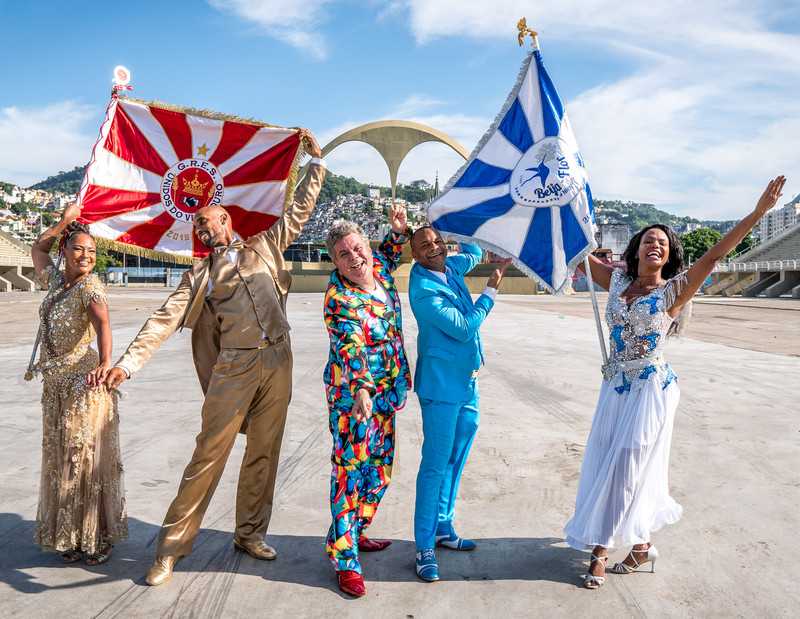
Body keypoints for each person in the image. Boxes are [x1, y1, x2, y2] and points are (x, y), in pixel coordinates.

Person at [104, 131, 326, 586]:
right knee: (208, 456)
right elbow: (162, 319)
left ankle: (249, 533)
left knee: (264, 452)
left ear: (226, 219)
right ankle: (169, 549)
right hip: (234, 368)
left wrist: (316, 165)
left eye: (209, 222)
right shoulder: (200, 274)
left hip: (279, 362)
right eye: (198, 229)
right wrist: (127, 363)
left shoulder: (265, 244)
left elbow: (299, 209)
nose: (204, 232)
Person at [565, 177, 787, 589]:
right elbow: (573, 251)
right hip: (615, 387)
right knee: (607, 461)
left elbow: (717, 254)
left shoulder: (673, 292)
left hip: (651, 389)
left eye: (663, 243)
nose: (656, 244)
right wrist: (557, 199)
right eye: (649, 238)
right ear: (636, 249)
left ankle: (601, 548)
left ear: (669, 256)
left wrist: (758, 214)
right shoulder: (615, 282)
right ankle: (642, 546)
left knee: (627, 463)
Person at [408, 226, 510, 582]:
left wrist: (457, 223)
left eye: (437, 241)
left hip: (468, 381)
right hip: (440, 388)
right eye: (425, 245)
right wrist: (492, 290)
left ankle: (443, 527)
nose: (434, 248)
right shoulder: (423, 290)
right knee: (435, 465)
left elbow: (475, 254)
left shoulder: (451, 266)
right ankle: (423, 546)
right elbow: (465, 327)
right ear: (415, 254)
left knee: (457, 457)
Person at [321, 205, 412, 597]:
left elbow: (388, 253)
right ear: (335, 263)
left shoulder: (381, 273)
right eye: (344, 254)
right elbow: (349, 345)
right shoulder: (339, 299)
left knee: (380, 473)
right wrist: (360, 387)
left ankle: (355, 532)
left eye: (357, 248)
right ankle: (344, 560)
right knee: (349, 477)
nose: (355, 258)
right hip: (354, 403)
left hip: (387, 397)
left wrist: (397, 232)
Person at [30, 205, 128, 565]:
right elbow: (38, 249)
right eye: (78, 249)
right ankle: (70, 535)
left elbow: (103, 324)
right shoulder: (57, 281)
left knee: (83, 463)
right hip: (54, 384)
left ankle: (96, 536)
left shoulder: (91, 287)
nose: (86, 256)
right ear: (65, 252)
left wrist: (105, 363)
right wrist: (66, 222)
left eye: (92, 251)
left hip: (81, 384)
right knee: (61, 462)